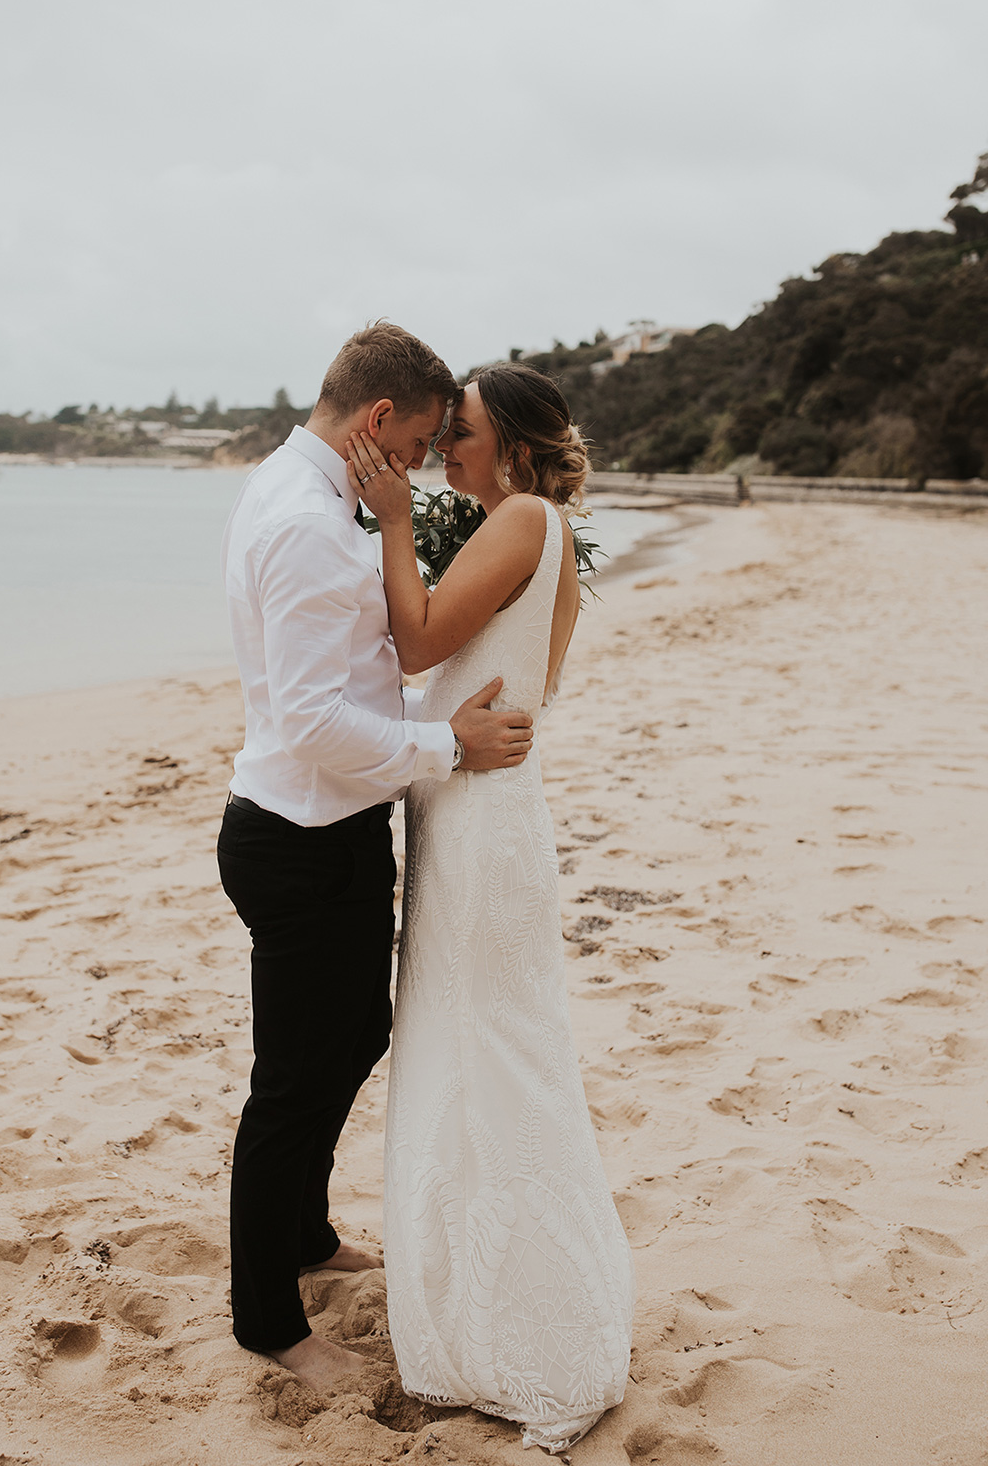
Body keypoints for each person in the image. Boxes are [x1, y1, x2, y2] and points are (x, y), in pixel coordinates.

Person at [217, 323, 536, 1394]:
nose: (417, 465)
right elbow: (312, 721)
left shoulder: (301, 491)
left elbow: (349, 674)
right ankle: (269, 1323)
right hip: (302, 837)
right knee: (294, 1084)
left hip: (325, 827)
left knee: (350, 1033)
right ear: (377, 421)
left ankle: (304, 1235)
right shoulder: (307, 523)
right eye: (416, 444)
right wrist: (449, 744)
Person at [347, 362, 634, 1454]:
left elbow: (418, 642)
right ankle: (492, 1310)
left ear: (510, 442)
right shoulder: (537, 525)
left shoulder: (515, 518)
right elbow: (506, 679)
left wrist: (388, 516)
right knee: (489, 1055)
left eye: (457, 432)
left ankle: (527, 1332)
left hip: (479, 829)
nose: (440, 451)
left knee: (485, 1060)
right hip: (485, 816)